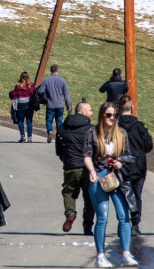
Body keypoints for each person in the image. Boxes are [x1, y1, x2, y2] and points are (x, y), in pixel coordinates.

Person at [84, 102, 138, 268]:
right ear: (102, 115)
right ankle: (100, 256)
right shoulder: (92, 133)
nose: (112, 118)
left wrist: (120, 162)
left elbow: (128, 155)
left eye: (115, 115)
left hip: (117, 178)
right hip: (99, 176)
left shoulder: (121, 133)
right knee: (102, 217)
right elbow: (86, 155)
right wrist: (92, 171)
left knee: (124, 217)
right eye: (108, 115)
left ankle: (126, 253)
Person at [55, 101, 95, 235]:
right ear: (83, 111)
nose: (92, 112)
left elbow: (59, 149)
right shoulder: (91, 128)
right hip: (87, 167)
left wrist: (66, 159)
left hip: (70, 166)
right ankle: (87, 226)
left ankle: (70, 212)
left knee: (69, 192)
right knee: (89, 197)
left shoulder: (62, 127)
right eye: (90, 110)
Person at [117, 95, 154, 236]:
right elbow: (148, 145)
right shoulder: (140, 126)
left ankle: (123, 223)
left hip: (120, 164)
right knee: (136, 195)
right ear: (132, 108)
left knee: (122, 195)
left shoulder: (115, 126)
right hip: (138, 165)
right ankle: (135, 224)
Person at [37, 64, 71, 143]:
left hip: (50, 104)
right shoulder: (63, 81)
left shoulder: (46, 80)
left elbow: (40, 90)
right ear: (57, 70)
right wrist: (68, 106)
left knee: (49, 120)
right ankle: (59, 136)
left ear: (51, 70)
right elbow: (66, 95)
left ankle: (50, 131)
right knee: (59, 121)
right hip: (59, 105)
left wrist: (45, 96)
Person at [10, 72, 35, 143]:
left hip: (20, 105)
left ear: (21, 77)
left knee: (20, 120)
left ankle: (22, 136)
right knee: (29, 120)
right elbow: (34, 94)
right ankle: (29, 138)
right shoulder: (31, 85)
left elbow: (15, 97)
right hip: (29, 105)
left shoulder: (18, 86)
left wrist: (14, 107)